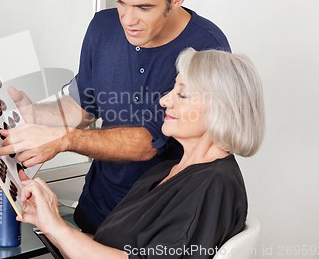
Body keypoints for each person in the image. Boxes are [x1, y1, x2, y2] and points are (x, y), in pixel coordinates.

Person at [0, 0, 231, 233]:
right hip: (98, 211)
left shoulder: (207, 49)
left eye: (144, 7)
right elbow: (83, 107)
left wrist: (64, 140)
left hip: (160, 223)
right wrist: (36, 114)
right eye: (121, 2)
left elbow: (148, 143)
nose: (127, 19)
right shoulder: (102, 28)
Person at [18, 48, 265, 258]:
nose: (164, 101)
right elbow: (114, 247)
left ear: (218, 110)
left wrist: (56, 226)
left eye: (182, 93)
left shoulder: (214, 186)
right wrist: (47, 222)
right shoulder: (168, 170)